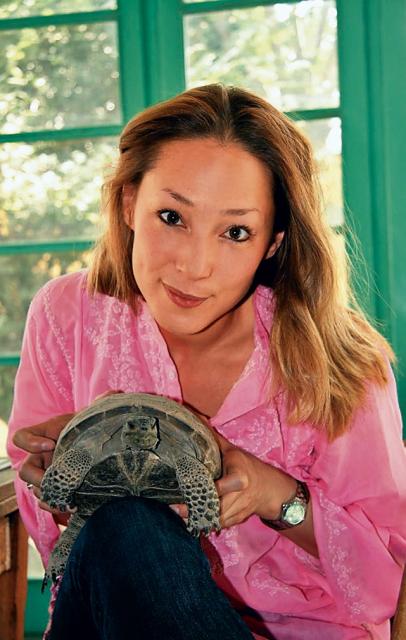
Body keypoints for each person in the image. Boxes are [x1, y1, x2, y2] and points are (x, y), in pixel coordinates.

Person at [7, 83, 406, 640]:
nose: (196, 266)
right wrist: (60, 475)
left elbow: (385, 576)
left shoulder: (340, 359)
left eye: (235, 232)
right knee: (127, 525)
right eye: (172, 217)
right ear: (129, 204)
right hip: (109, 617)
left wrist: (275, 495)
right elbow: (61, 544)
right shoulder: (67, 316)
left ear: (272, 242)